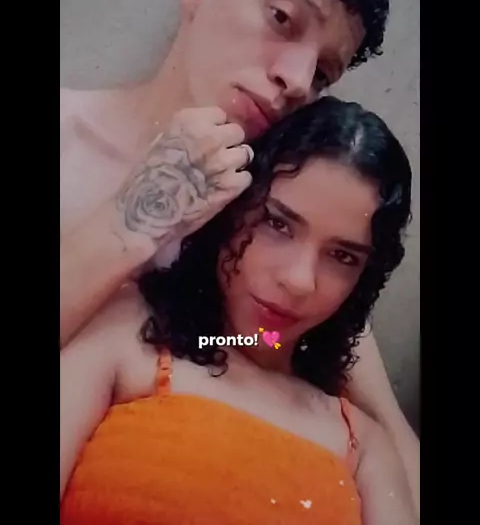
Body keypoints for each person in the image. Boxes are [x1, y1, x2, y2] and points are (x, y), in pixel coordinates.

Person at [60, 0, 419, 512]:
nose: (298, 80)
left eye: (324, 73)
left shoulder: (275, 219)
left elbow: (383, 429)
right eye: (282, 19)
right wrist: (129, 223)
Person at [61, 97, 417, 524]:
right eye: (278, 223)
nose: (299, 280)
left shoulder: (365, 447)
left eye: (343, 256)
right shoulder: (127, 338)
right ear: (231, 210)